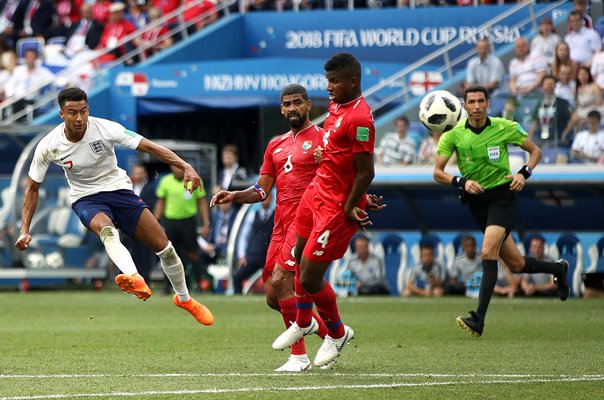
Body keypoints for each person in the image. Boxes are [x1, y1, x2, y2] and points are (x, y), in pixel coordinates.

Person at [14, 87, 214, 326]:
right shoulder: (49, 145)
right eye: (72, 113)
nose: (79, 118)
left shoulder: (106, 128)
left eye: (83, 111)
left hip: (120, 192)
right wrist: (24, 230)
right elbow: (32, 188)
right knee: (107, 230)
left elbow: (149, 146)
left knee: (165, 248)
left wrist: (186, 166)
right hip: (86, 198)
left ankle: (184, 299)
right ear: (61, 114)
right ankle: (134, 276)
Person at [211, 84, 331, 372]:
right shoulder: (275, 145)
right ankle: (330, 332)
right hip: (280, 225)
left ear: (308, 105)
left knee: (281, 281)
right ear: (281, 108)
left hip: (308, 221)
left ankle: (299, 357)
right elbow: (263, 191)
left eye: (297, 103)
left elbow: (342, 175)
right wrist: (236, 195)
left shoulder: (322, 140)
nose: (292, 108)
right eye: (287, 104)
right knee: (272, 296)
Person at [433, 85, 569, 337]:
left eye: (480, 101)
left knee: (487, 251)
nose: (475, 106)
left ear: (487, 103)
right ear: (464, 105)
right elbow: (438, 172)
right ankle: (558, 269)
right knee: (516, 264)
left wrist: (523, 173)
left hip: (502, 197)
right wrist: (461, 182)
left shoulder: (504, 126)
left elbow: (535, 151)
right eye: (471, 101)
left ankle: (478, 320)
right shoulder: (453, 135)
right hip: (476, 201)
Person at [271, 53, 377, 368]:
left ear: (353, 81)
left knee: (310, 276)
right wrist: (324, 155)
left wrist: (352, 204)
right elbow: (338, 154)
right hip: (315, 192)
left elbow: (365, 172)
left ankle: (337, 332)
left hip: (335, 207)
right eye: (327, 80)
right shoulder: (335, 106)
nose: (328, 87)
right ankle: (303, 322)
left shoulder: (360, 119)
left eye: (334, 82)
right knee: (299, 260)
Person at [154, 163, 211, 294]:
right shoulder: (165, 181)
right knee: (169, 255)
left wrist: (206, 222)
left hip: (188, 221)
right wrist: (156, 221)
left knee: (192, 254)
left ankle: (199, 284)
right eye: (174, 166)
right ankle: (167, 287)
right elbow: (161, 202)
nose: (176, 170)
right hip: (170, 221)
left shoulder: (194, 180)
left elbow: (201, 201)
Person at [232, 192, 274, 295]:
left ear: (272, 200)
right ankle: (238, 301)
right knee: (237, 277)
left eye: (268, 198)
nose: (265, 201)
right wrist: (241, 255)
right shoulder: (252, 215)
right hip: (254, 256)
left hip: (269, 257)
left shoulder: (276, 216)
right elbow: (244, 236)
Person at [3, 48, 54, 121]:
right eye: (28, 57)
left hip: (32, 99)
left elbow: (54, 79)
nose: (30, 59)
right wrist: (10, 95)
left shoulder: (42, 71)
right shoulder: (18, 70)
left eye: (32, 57)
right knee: (10, 105)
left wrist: (67, 82)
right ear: (25, 58)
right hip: (17, 99)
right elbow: (10, 84)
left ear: (36, 58)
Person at [527, 75, 573, 149]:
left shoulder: (562, 103)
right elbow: (535, 121)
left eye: (551, 84)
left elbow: (572, 119)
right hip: (541, 140)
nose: (549, 86)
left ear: (555, 86)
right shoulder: (539, 103)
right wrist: (530, 137)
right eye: (547, 84)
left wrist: (565, 133)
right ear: (542, 86)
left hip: (558, 140)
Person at [562, 66, 602, 143]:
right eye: (581, 74)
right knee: (577, 119)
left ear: (588, 75)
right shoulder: (576, 89)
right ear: (578, 76)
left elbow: (599, 103)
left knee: (576, 117)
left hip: (596, 110)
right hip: (582, 112)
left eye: (585, 74)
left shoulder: (594, 86)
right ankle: (578, 141)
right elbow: (577, 106)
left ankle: (565, 135)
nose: (583, 77)